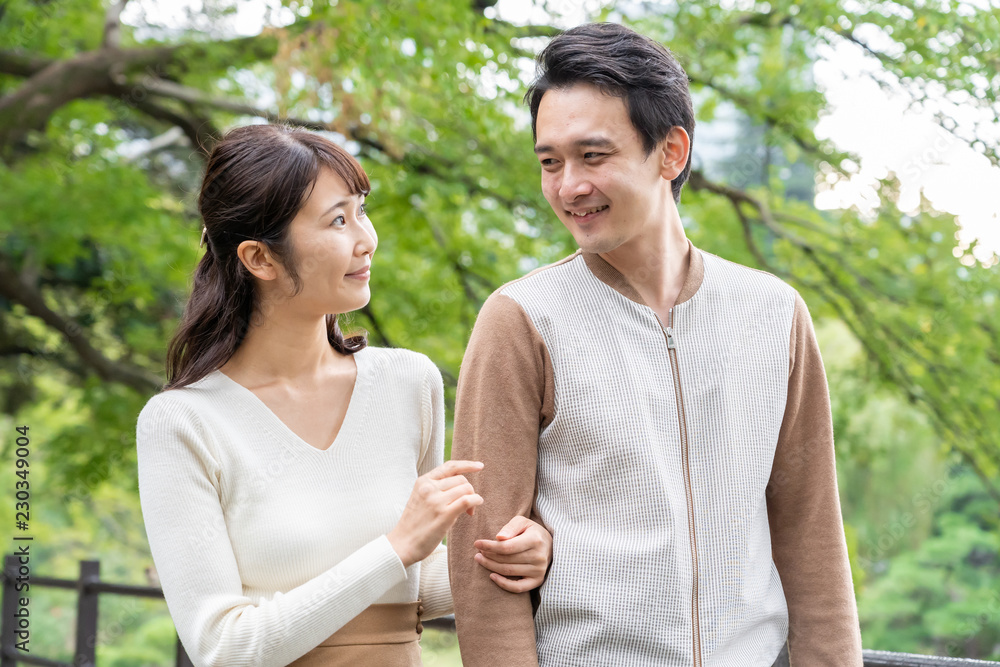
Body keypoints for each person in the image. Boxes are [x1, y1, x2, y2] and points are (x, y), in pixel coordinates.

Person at [448, 22, 863, 667]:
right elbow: (485, 558)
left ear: (671, 153)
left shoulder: (773, 313)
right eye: (550, 161)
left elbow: (811, 536)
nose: (568, 187)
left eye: (593, 156)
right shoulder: (520, 319)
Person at [136, 124, 553, 667]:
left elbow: (415, 581)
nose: (367, 238)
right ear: (260, 259)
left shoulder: (408, 382)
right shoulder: (183, 422)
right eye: (337, 220)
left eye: (361, 210)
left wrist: (522, 557)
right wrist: (395, 547)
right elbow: (223, 648)